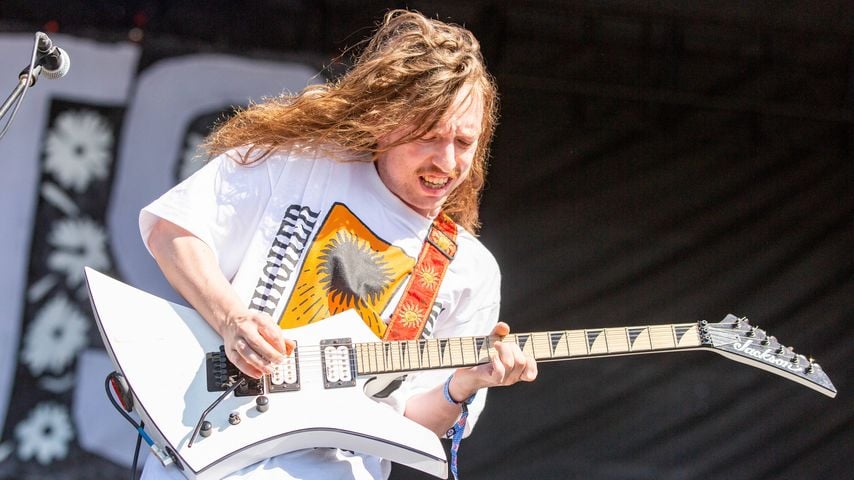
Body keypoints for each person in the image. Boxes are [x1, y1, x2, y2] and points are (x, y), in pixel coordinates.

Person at [138, 9, 537, 480]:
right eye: (429, 136)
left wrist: (466, 384)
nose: (447, 161)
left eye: (464, 142)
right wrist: (232, 319)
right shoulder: (297, 161)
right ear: (385, 120)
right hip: (203, 455)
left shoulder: (468, 269)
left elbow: (413, 423)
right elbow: (173, 230)